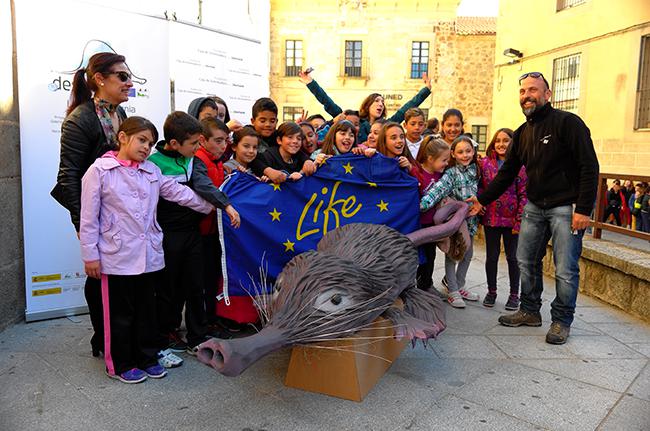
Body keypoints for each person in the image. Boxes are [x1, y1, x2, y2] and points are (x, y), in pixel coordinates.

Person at [467, 71, 599, 345]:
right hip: (535, 207)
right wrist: (482, 199)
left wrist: (584, 209)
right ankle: (529, 310)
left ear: (547, 94)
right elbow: (507, 174)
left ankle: (562, 321)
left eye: (533, 90)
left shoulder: (568, 123)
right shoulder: (523, 133)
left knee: (565, 268)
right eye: (523, 91)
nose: (527, 96)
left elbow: (589, 166)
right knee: (525, 261)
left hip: (566, 208)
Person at [79, 117, 214, 383]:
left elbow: (178, 193)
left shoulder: (151, 171)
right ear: (122, 137)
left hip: (148, 255)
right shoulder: (100, 171)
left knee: (146, 311)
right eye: (141, 140)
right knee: (119, 314)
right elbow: (88, 218)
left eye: (150, 143)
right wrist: (90, 255)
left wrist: (214, 205)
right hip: (115, 256)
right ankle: (119, 363)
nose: (145, 147)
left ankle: (146, 357)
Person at [51, 52, 132, 358]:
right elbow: (68, 176)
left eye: (129, 76)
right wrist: (82, 226)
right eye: (122, 76)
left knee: (118, 276)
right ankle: (104, 340)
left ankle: (117, 338)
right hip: (94, 213)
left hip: (119, 213)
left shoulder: (119, 115)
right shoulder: (81, 119)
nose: (129, 82)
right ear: (100, 79)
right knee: (98, 275)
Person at [148, 111, 240, 357]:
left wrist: (224, 204)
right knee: (169, 288)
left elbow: (203, 186)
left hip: (192, 233)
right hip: (167, 234)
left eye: (200, 142)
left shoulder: (193, 161)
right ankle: (165, 333)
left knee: (196, 285)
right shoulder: (153, 163)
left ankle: (197, 335)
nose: (198, 147)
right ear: (175, 143)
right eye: (194, 143)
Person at [421, 135, 480, 308]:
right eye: (460, 152)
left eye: (468, 151)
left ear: (473, 151)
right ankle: (452, 290)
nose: (465, 155)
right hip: (455, 224)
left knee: (467, 254)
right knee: (453, 255)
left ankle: (460, 285)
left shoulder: (476, 170)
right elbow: (437, 191)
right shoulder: (451, 174)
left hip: (471, 222)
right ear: (453, 154)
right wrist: (422, 205)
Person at [298, 69, 432, 143]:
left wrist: (425, 90)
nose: (381, 104)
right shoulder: (353, 120)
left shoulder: (387, 125)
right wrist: (310, 82)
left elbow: (405, 109)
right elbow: (328, 102)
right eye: (377, 101)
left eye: (383, 102)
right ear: (368, 105)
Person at [478, 128, 527, 310]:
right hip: (491, 218)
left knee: (513, 258)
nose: (501, 144)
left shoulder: (520, 166)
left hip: (512, 220)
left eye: (506, 140)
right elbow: (480, 187)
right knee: (491, 257)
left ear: (513, 143)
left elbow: (524, 194)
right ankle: (492, 291)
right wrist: (480, 202)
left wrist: (520, 219)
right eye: (498, 140)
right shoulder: (485, 164)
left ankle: (515, 295)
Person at [195, 118, 230, 332]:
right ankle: (200, 325)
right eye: (218, 140)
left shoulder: (219, 162)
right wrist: (227, 205)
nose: (223, 145)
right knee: (199, 283)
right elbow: (204, 186)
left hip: (213, 233)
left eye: (226, 140)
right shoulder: (199, 160)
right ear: (202, 140)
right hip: (198, 232)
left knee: (211, 279)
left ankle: (210, 319)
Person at [411, 136, 450, 291]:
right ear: (430, 158)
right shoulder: (415, 172)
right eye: (444, 160)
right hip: (416, 224)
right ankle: (411, 286)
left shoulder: (441, 176)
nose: (447, 164)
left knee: (430, 256)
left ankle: (426, 285)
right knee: (415, 257)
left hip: (432, 225)